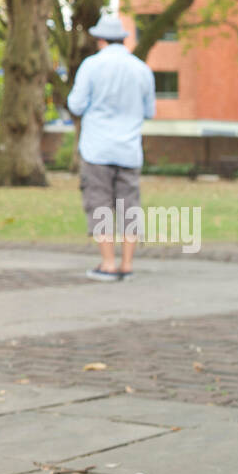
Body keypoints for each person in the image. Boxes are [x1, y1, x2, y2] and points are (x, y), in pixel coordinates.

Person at [66, 15, 156, 281]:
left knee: (99, 204)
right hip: (129, 149)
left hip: (98, 149)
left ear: (101, 39)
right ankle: (127, 265)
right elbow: (149, 111)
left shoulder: (91, 66)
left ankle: (107, 264)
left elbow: (76, 105)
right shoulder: (141, 69)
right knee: (129, 208)